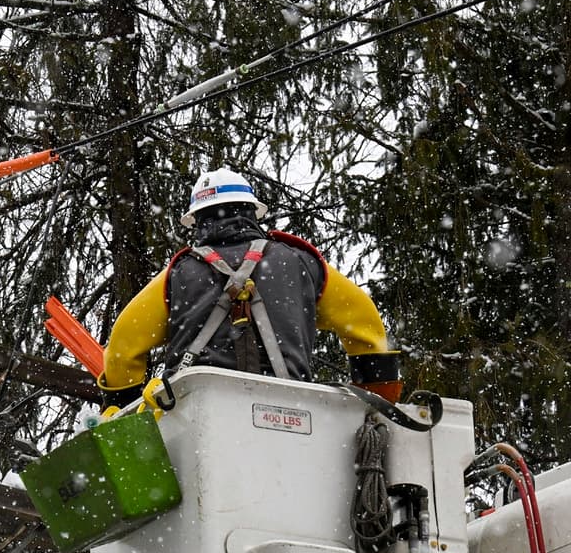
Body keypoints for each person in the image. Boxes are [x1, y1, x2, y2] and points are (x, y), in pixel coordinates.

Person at [98, 167, 403, 412]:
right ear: (251, 212)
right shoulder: (299, 262)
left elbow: (124, 345)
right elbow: (365, 324)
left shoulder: (177, 275)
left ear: (197, 221)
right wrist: (379, 404)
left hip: (196, 417)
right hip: (294, 416)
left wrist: (120, 406)